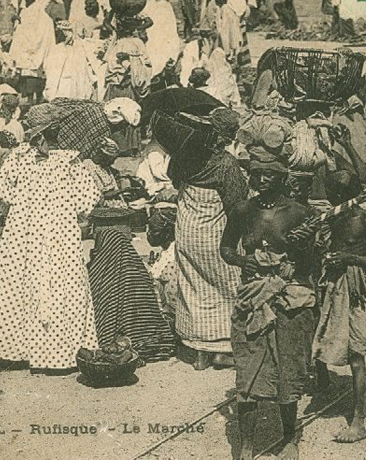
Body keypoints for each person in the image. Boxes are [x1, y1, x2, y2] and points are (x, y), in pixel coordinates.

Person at [0, 114, 101, 372]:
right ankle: (53, 355)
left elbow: (3, 194)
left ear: (40, 135)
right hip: (57, 234)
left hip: (25, 234)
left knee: (20, 287)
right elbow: (87, 200)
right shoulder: (70, 163)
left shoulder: (21, 160)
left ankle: (22, 352)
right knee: (59, 286)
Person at [220, 145, 318, 460]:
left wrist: (301, 253)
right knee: (248, 369)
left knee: (288, 367)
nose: (262, 180)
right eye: (257, 174)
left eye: (270, 175)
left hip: (288, 297)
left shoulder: (299, 213)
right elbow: (225, 248)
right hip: (252, 297)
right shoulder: (242, 211)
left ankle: (290, 438)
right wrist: (240, 260)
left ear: (282, 177)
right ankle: (246, 446)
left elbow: (313, 263)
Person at [312, 170, 366, 444]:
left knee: (356, 352)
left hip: (362, 285)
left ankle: (358, 423)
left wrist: (349, 258)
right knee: (324, 331)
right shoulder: (334, 217)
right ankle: (358, 399)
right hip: (341, 280)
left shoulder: (363, 220)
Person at [168, 108, 248, 369]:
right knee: (225, 286)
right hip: (214, 232)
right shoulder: (225, 163)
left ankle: (198, 351)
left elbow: (173, 179)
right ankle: (222, 349)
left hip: (187, 229)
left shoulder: (184, 154)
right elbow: (237, 203)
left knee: (193, 286)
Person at [87, 208, 176, 362]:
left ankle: (122, 347)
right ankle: (128, 347)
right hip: (150, 335)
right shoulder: (135, 266)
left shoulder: (99, 270)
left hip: (117, 334)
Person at [43, 20, 96, 101]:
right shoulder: (56, 49)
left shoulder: (80, 47)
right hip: (61, 86)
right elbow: (51, 71)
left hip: (75, 84)